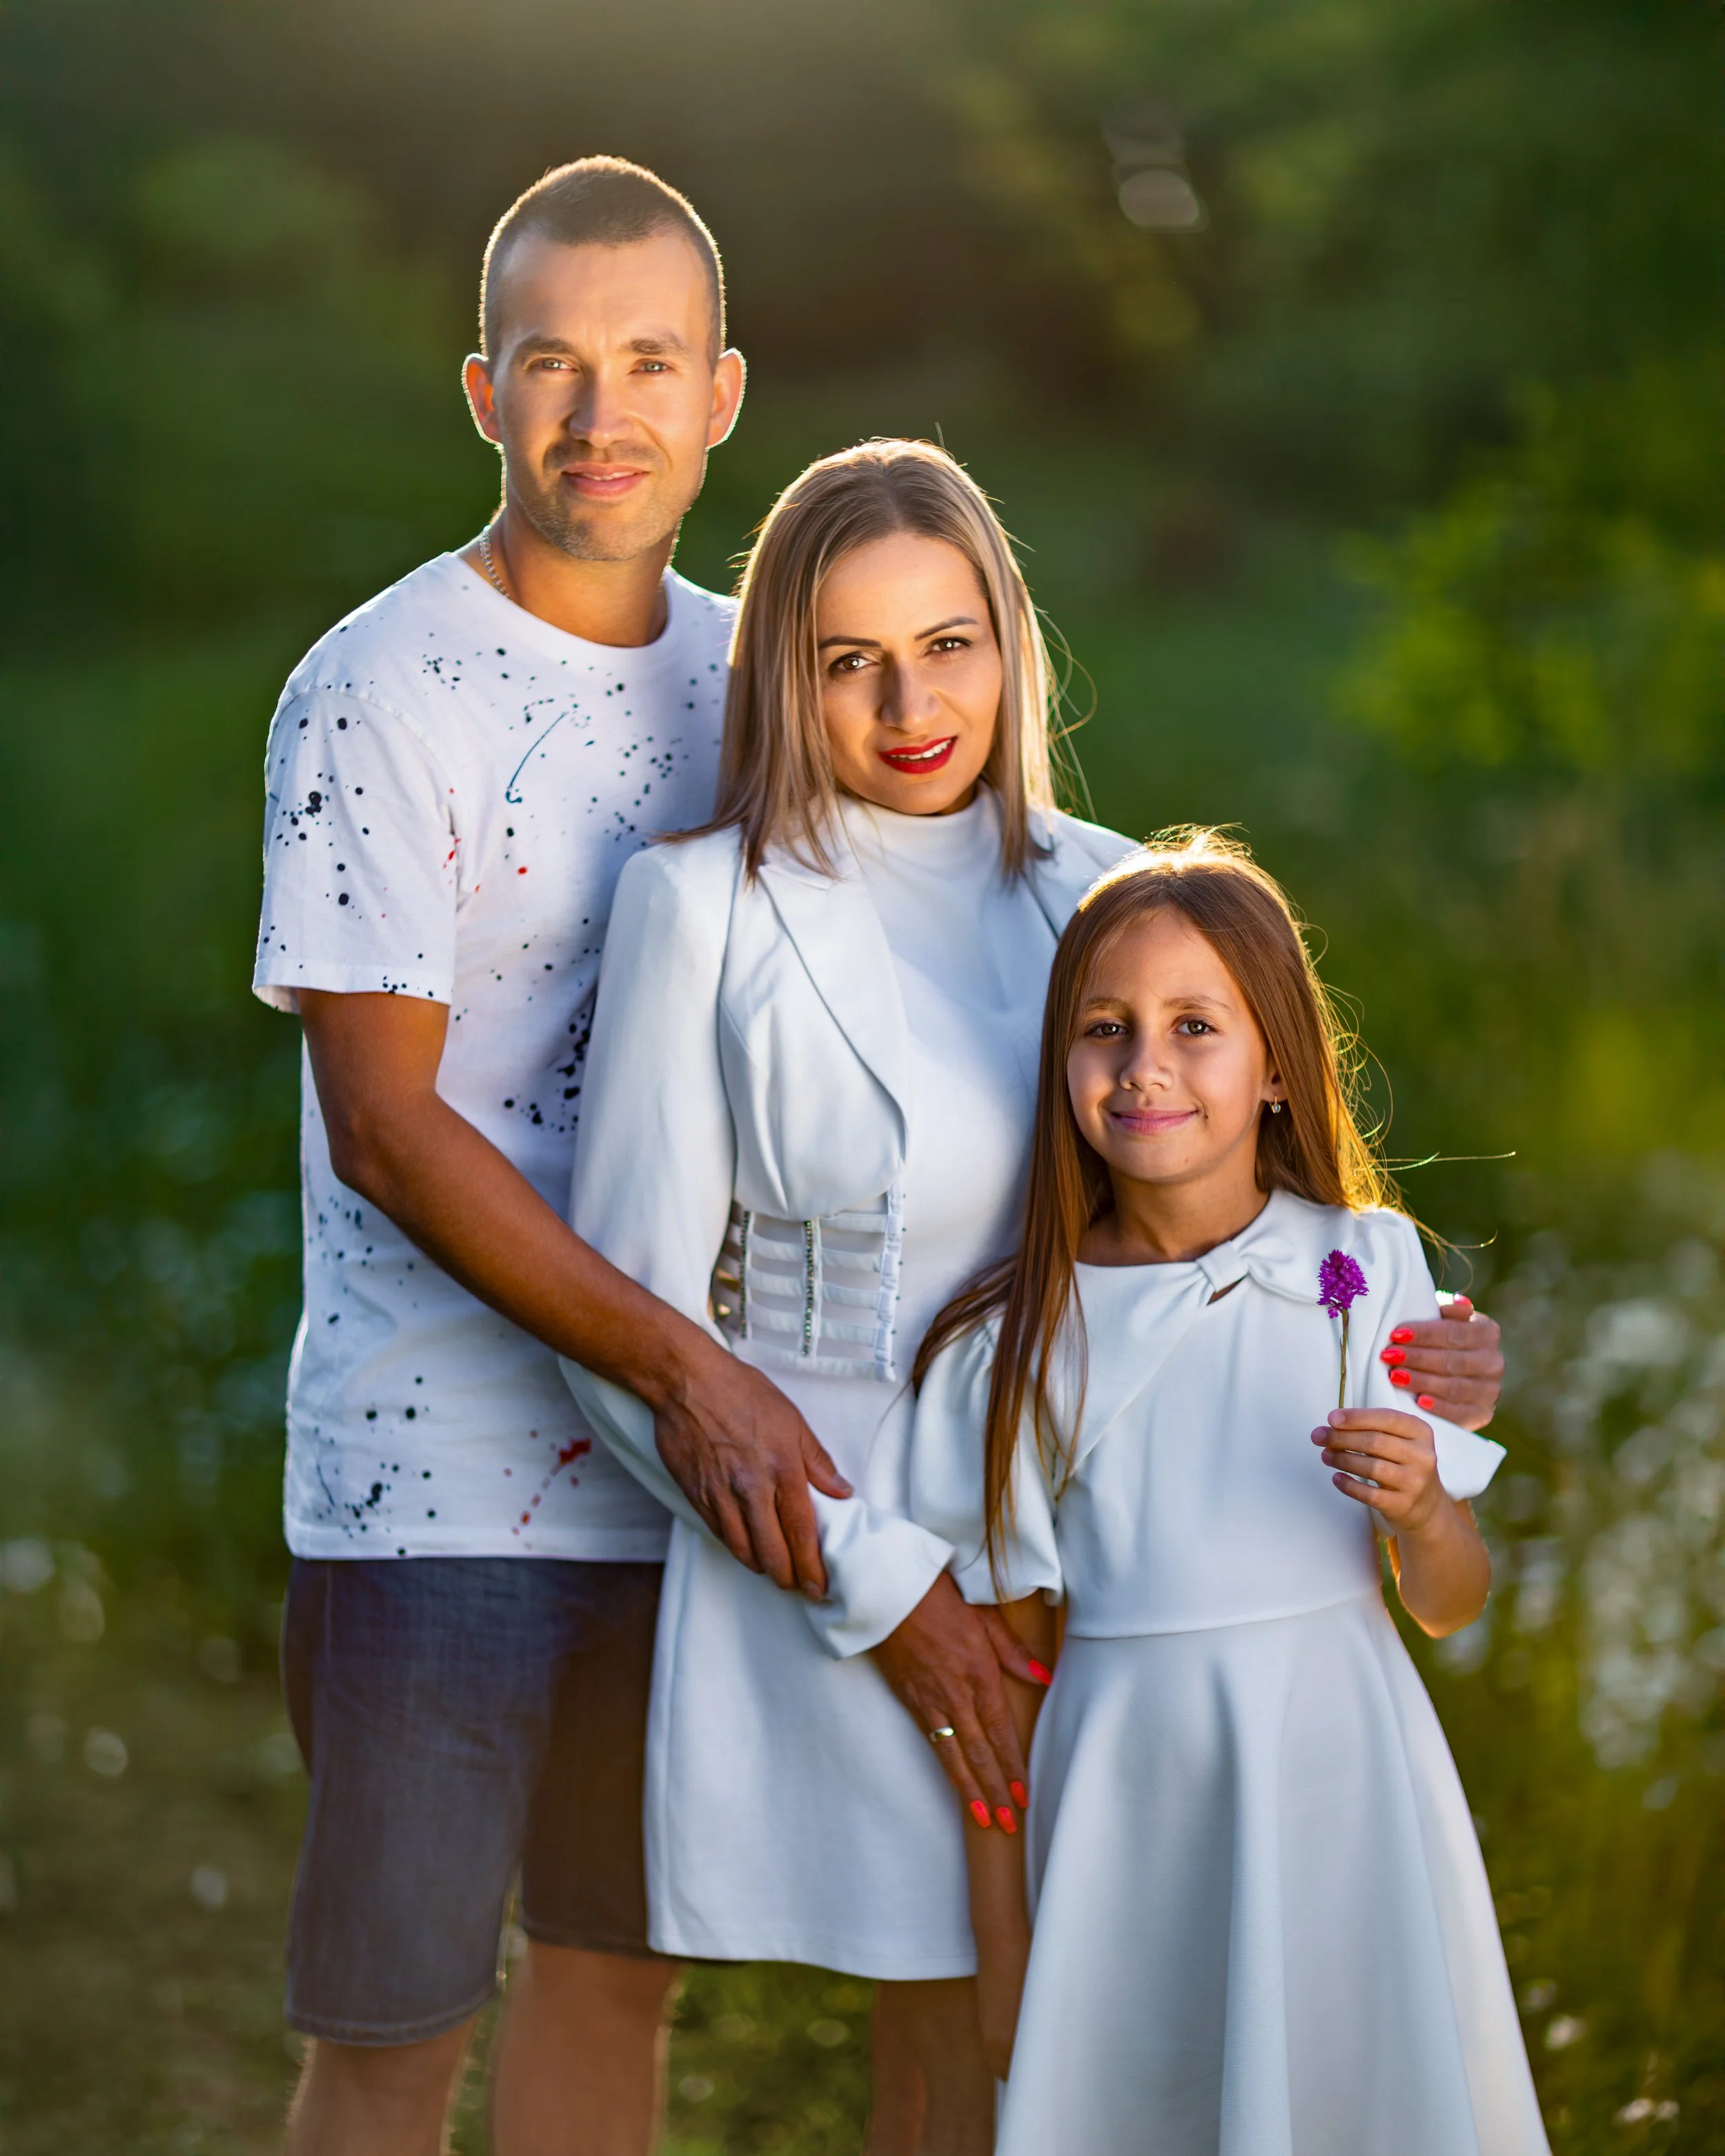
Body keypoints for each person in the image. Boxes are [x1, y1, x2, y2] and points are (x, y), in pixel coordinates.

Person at [560, 446, 1512, 2152]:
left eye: (949, 643)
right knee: (956, 2041)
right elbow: (634, 1348)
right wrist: (892, 1591)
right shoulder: (698, 904)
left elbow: (1259, 1217)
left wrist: (1426, 1354)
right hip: (839, 1537)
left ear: (1011, 639)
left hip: (1124, 1559)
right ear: (786, 672)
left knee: (1120, 2053)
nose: (910, 702)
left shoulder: (1103, 885)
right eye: (849, 660)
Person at [250, 157, 849, 2156]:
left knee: (613, 1984)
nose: (603, 414)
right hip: (436, 1484)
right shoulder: (373, 689)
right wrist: (693, 1368)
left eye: (649, 362)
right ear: (481, 391)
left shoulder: (761, 673)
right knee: (394, 2026)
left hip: (682, 1492)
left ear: (726, 392)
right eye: (553, 364)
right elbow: (392, 1130)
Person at [906, 829, 1550, 2155]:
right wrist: (1008, 1937)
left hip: (1343, 1769)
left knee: (1354, 2086)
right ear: (1062, 1063)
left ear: (1273, 1067)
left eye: (1196, 1025)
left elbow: (1448, 1604)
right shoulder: (1020, 1337)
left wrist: (1425, 1511)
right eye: (1105, 1027)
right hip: (1128, 1791)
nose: (1145, 1065)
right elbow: (1001, 1671)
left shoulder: (1364, 1270)